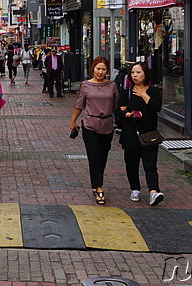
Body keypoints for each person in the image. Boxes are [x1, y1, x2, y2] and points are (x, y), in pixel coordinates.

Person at [116, 62, 165, 207]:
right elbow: (118, 111)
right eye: (133, 73)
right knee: (131, 164)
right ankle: (135, 189)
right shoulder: (127, 92)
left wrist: (144, 95)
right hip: (131, 134)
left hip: (149, 134)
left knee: (150, 165)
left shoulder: (154, 91)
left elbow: (156, 107)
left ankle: (153, 192)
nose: (135, 75)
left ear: (145, 74)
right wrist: (128, 114)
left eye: (138, 72)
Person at [71, 56, 118, 205]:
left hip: (107, 125)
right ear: (93, 69)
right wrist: (73, 121)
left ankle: (96, 182)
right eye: (98, 68)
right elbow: (79, 104)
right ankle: (99, 187)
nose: (100, 72)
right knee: (94, 156)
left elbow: (117, 103)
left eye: (103, 69)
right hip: (90, 124)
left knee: (103, 156)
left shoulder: (112, 85)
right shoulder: (85, 85)